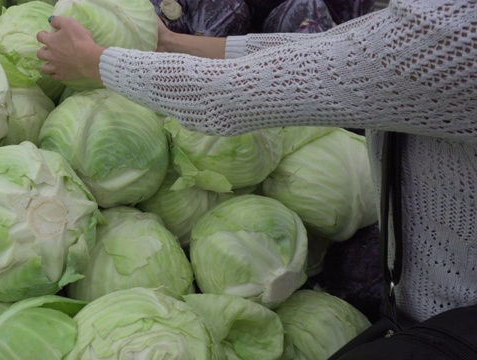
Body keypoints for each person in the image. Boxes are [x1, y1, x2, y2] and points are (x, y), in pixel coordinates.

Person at [37, 0, 477, 324]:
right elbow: (331, 51)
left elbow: (236, 97)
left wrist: (99, 65)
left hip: (454, 312)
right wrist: (170, 42)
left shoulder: (461, 34)